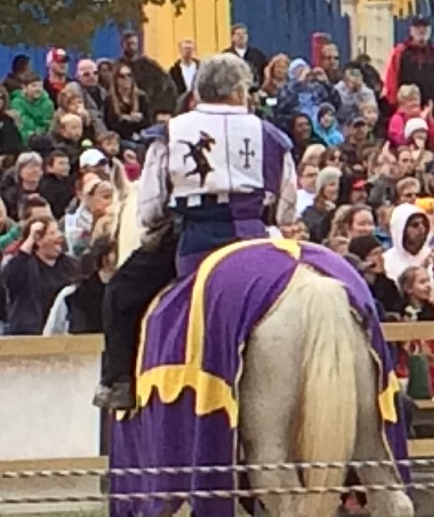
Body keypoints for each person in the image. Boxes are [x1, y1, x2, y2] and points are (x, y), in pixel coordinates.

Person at [93, 53, 297, 410]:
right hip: (256, 238)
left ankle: (119, 382)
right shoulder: (272, 136)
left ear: (199, 90)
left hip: (195, 240)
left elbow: (151, 207)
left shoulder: (171, 132)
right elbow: (286, 210)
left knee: (122, 293)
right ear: (239, 91)